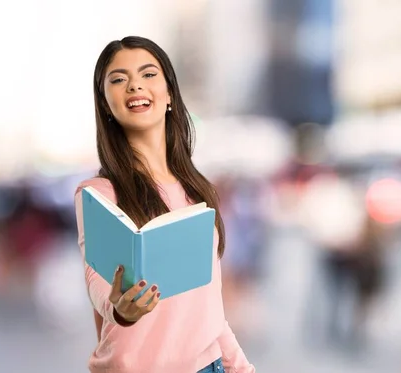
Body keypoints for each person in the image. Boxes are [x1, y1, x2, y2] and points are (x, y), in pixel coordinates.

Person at [74, 36, 256, 373]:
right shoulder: (97, 193)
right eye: (118, 79)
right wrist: (118, 309)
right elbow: (95, 278)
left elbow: (208, 308)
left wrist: (241, 367)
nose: (134, 86)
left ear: (169, 93)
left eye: (147, 74)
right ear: (105, 104)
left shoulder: (199, 191)